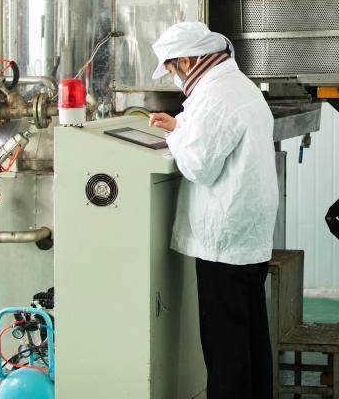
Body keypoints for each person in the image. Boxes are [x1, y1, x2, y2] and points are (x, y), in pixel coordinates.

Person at [147, 21, 278, 399]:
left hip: (225, 238)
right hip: (248, 231)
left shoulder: (215, 95)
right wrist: (179, 125)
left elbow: (199, 164)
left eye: (172, 69)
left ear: (187, 61)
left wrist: (174, 134)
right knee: (251, 334)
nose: (174, 77)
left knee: (225, 347)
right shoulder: (235, 85)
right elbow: (211, 133)